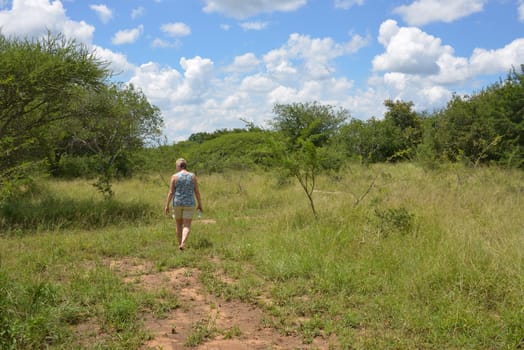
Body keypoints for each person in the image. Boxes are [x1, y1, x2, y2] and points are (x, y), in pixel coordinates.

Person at [164, 158, 203, 250]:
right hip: (189, 203)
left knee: (178, 224)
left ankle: (179, 244)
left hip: (177, 203)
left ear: (178, 166)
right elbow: (197, 192)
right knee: (187, 225)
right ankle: (183, 243)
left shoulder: (174, 176)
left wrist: (167, 205)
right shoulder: (192, 176)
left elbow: (171, 192)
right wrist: (200, 204)